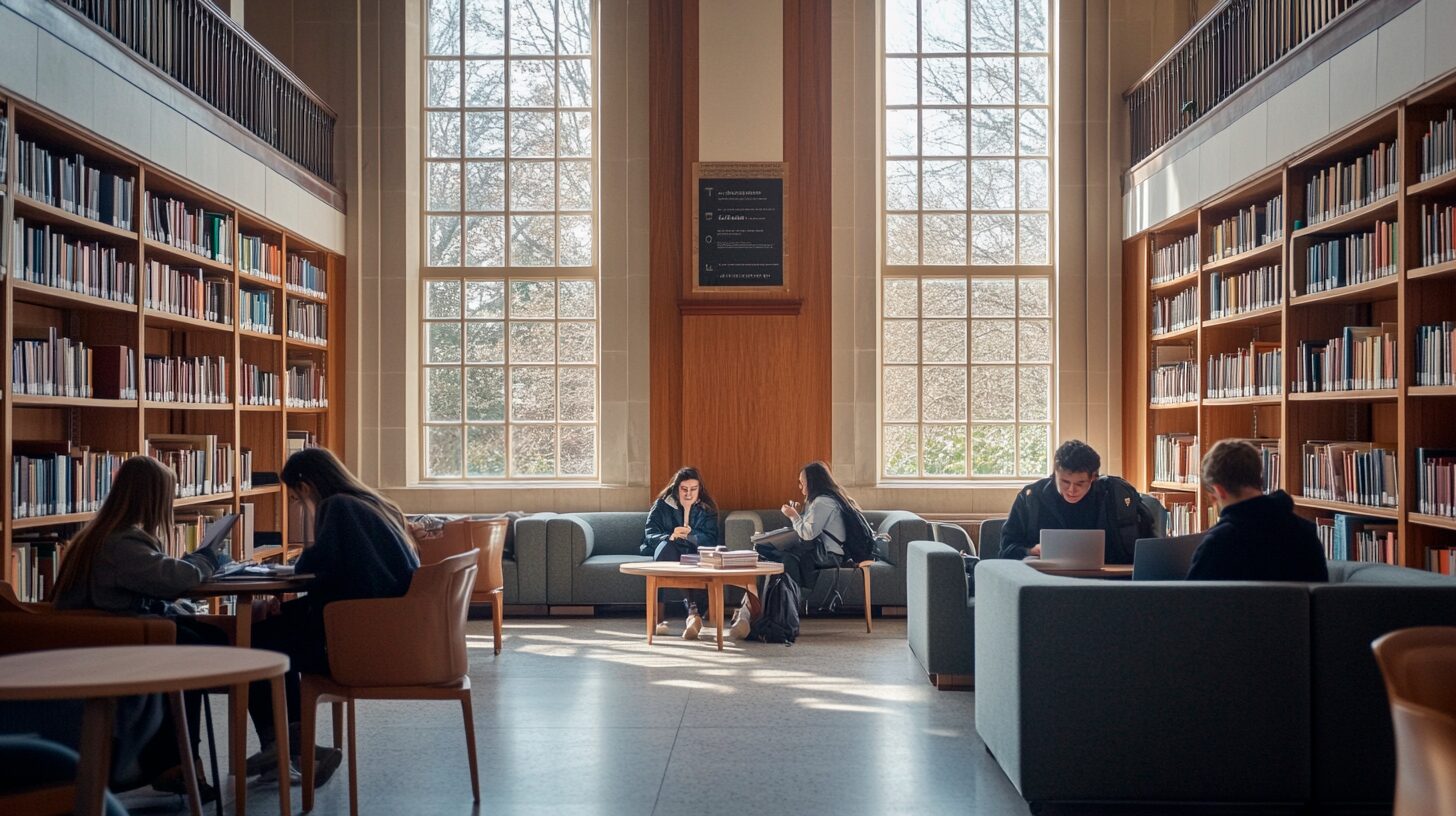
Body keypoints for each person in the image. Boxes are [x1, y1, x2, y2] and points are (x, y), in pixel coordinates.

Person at [51, 455, 231, 800]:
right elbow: (174, 579)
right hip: (107, 643)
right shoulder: (122, 543)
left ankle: (178, 761)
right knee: (194, 650)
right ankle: (176, 763)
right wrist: (206, 556)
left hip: (105, 635)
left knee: (206, 638)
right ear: (152, 499)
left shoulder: (102, 535)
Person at [245, 447, 420, 783]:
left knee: (260, 641)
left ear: (306, 485)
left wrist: (291, 586)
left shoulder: (336, 507)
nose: (299, 504)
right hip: (382, 629)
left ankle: (287, 744)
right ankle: (289, 746)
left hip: (354, 637)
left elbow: (315, 566)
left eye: (296, 497)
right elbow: (347, 575)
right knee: (273, 632)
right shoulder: (373, 505)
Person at [1186, 439, 1328, 582]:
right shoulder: (1305, 533)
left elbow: (1190, 600)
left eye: (1213, 497)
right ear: (1258, 477)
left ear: (1219, 491)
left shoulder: (1218, 543)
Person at [999, 440, 1154, 564]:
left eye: (1080, 483)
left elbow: (1144, 547)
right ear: (1055, 474)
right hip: (1045, 582)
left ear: (1094, 477)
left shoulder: (1114, 496)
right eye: (1065, 482)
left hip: (1106, 580)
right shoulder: (1031, 497)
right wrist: (1031, 551)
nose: (1072, 490)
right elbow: (1006, 550)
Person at [755, 461, 860, 600]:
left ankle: (793, 600)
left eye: (802, 482)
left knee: (783, 556)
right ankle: (787, 599)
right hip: (823, 551)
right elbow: (813, 528)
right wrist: (800, 515)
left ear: (812, 482)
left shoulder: (822, 502)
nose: (800, 486)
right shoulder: (824, 500)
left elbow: (808, 534)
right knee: (765, 549)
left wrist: (793, 516)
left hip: (829, 555)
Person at [641, 467, 720, 639]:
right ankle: (692, 611)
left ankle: (692, 612)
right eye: (684, 489)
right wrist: (671, 536)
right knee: (667, 548)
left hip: (693, 550)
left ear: (700, 489)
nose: (689, 494)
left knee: (683, 554)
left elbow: (711, 538)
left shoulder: (707, 509)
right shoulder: (662, 505)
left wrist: (691, 536)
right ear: (677, 489)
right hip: (667, 549)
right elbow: (650, 534)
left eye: (693, 489)